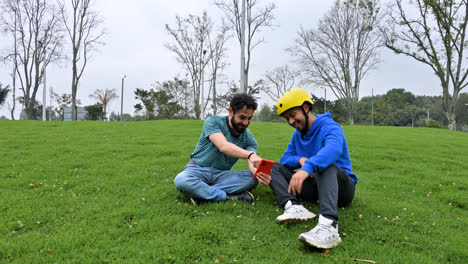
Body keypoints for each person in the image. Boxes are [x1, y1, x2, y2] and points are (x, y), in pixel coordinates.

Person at [255, 88, 358, 249]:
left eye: (293, 115)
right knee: (273, 166)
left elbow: (333, 149)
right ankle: (293, 206)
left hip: (342, 190)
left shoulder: (330, 126)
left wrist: (308, 167)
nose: (290, 122)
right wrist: (301, 160)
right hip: (315, 187)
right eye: (286, 118)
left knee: (324, 164)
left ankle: (329, 225)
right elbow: (285, 159)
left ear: (305, 108)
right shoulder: (297, 135)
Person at [174, 93, 263, 205]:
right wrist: (250, 155)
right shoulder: (213, 122)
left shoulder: (248, 138)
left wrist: (260, 175)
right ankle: (227, 196)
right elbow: (223, 146)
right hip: (197, 170)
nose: (246, 123)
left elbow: (252, 162)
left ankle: (202, 194)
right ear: (231, 111)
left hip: (222, 175)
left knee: (252, 179)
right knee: (181, 180)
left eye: (249, 118)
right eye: (242, 117)